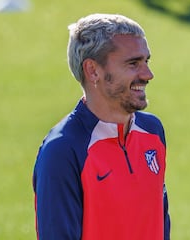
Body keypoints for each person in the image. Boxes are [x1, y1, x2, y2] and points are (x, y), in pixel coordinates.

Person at [32, 13, 171, 240]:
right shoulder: (63, 150)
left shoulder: (152, 132)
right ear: (93, 71)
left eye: (147, 61)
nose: (148, 74)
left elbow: (160, 224)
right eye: (133, 63)